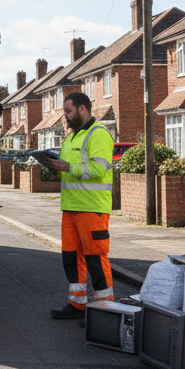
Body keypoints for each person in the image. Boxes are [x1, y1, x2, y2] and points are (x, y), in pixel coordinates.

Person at [42, 92, 114, 320]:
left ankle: (105, 310)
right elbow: (71, 168)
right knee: (71, 257)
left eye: (68, 111)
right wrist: (54, 166)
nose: (65, 116)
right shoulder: (72, 136)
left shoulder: (98, 134)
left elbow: (98, 169)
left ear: (82, 109)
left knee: (95, 258)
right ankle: (77, 304)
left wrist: (67, 167)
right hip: (71, 208)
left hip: (92, 209)